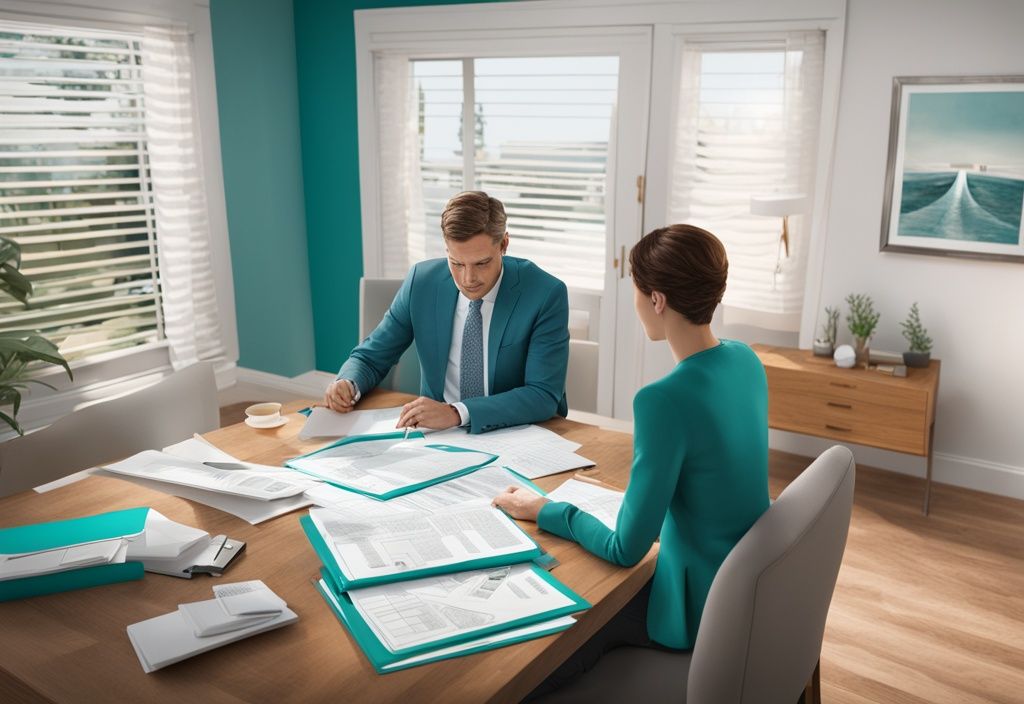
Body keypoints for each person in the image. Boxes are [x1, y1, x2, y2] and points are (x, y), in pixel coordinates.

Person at [492, 224, 770, 696]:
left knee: (537, 658)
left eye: (638, 293)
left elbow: (625, 550)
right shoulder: (745, 360)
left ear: (657, 301)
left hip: (695, 607)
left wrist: (544, 510)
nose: (636, 303)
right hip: (743, 587)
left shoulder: (664, 400)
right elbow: (712, 477)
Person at [324, 191, 570, 434]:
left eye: (481, 263)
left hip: (517, 433)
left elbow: (543, 394)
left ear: (504, 244)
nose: (468, 279)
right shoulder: (421, 283)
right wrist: (347, 383)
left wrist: (456, 412)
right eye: (457, 263)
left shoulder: (545, 294)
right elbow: (371, 357)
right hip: (437, 436)